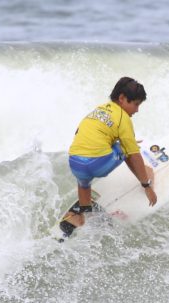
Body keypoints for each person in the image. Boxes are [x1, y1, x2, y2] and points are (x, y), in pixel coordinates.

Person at [60, 77, 157, 235]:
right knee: (127, 149)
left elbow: (79, 133)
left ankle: (78, 216)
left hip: (74, 162)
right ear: (122, 98)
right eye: (136, 104)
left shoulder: (97, 110)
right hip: (96, 164)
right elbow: (133, 155)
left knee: (84, 180)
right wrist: (146, 185)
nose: (137, 110)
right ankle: (148, 177)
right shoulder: (123, 118)